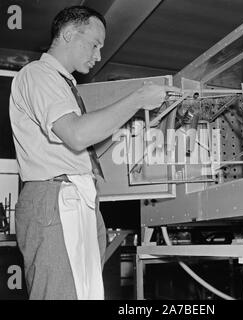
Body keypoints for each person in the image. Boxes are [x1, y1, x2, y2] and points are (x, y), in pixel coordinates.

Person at [9, 5, 175, 300]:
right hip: (55, 198)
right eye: (95, 44)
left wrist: (131, 124)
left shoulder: (63, 85)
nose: (98, 55)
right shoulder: (38, 74)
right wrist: (137, 98)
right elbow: (77, 134)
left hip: (76, 196)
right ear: (69, 34)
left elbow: (83, 142)